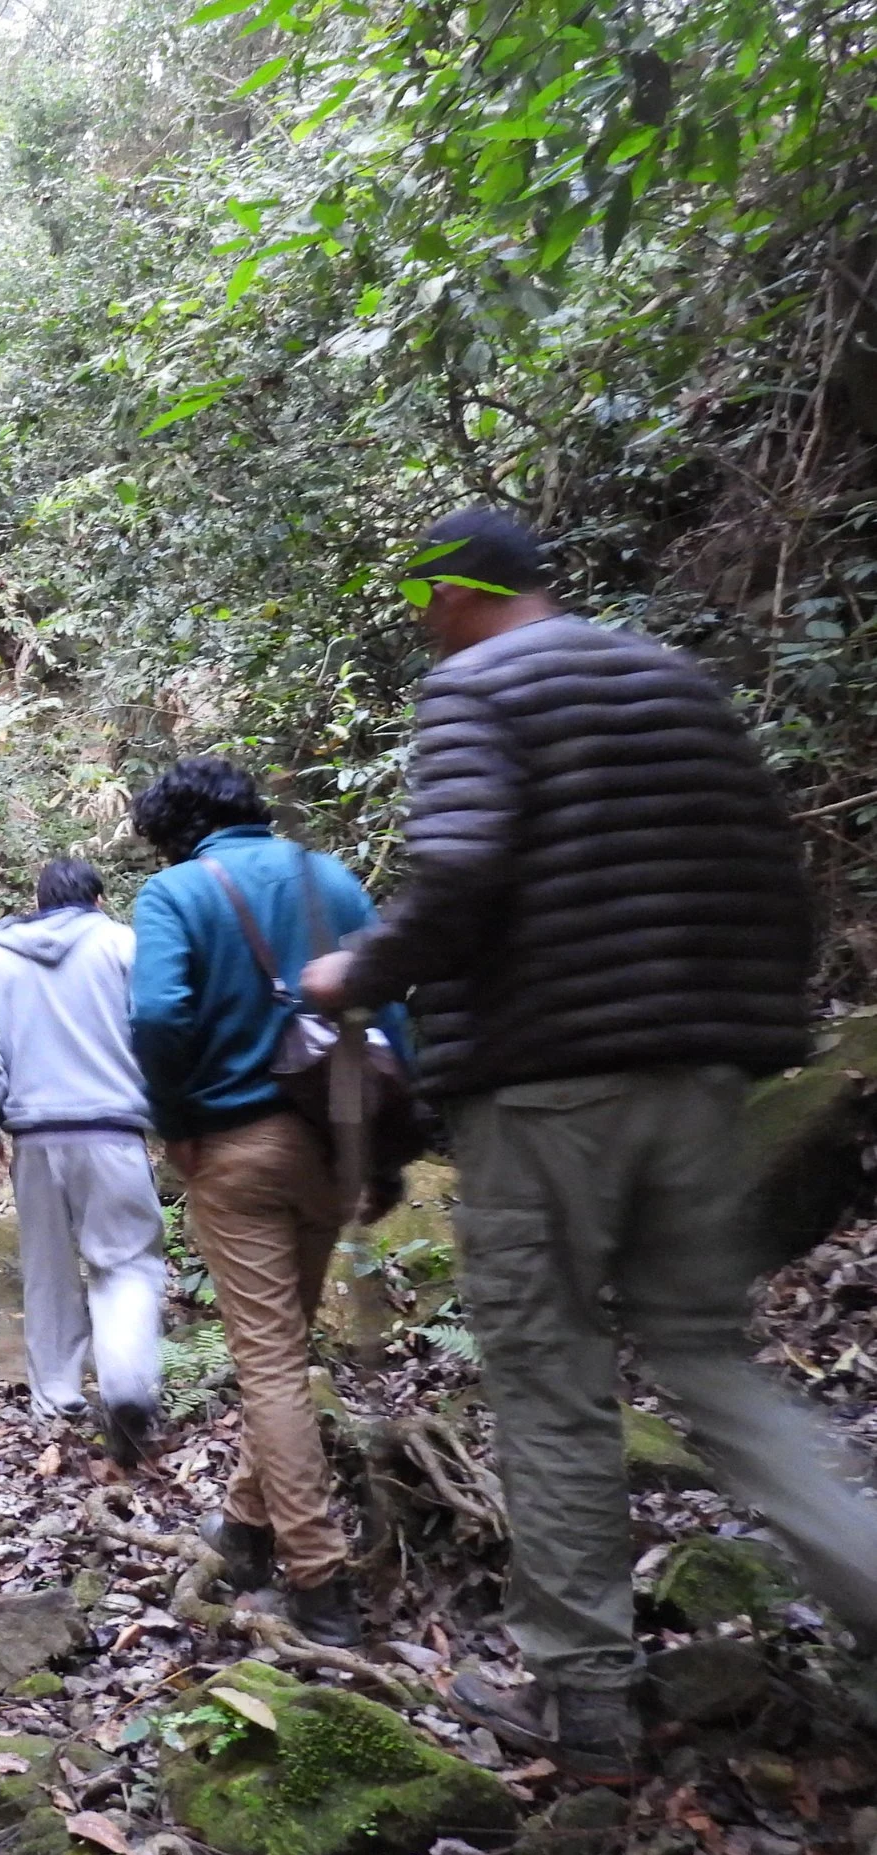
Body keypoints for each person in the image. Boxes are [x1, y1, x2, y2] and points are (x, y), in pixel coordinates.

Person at [302, 506, 877, 1782]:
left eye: (419, 605)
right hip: (700, 1085)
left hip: (547, 1096)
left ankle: (585, 1700)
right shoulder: (674, 682)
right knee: (710, 1367)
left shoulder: (478, 689)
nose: (424, 632)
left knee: (552, 1381)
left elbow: (455, 872)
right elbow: (773, 879)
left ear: (455, 597)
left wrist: (356, 970)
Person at [129, 756, 394, 1650]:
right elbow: (394, 1005)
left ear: (175, 829)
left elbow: (160, 1015)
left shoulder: (176, 891)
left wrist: (175, 1120)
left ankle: (319, 1584)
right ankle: (245, 1530)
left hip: (239, 1148)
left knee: (270, 1361)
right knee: (286, 1342)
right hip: (335, 1139)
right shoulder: (334, 880)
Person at [0, 856, 164, 1464]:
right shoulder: (124, 945)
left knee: (46, 1270)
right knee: (125, 1263)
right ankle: (128, 1387)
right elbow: (155, 1027)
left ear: (39, 902)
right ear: (98, 900)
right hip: (113, 1132)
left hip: (35, 1137)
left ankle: (56, 1399)